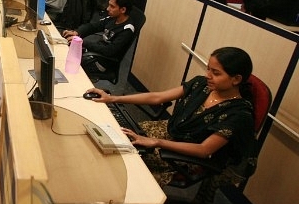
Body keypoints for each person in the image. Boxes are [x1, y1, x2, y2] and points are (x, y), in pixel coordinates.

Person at [84, 47, 256, 189]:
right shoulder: (201, 84)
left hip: (185, 154)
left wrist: (157, 142)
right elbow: (158, 97)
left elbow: (204, 149)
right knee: (114, 134)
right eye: (208, 69)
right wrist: (113, 98)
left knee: (123, 155)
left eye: (216, 73)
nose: (208, 75)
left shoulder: (239, 114)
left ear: (236, 79)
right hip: (168, 130)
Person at [62, 0, 139, 60]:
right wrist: (77, 32)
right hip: (96, 52)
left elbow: (109, 51)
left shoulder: (127, 30)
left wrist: (83, 42)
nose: (108, 9)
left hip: (103, 62)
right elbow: (93, 26)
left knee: (68, 59)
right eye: (109, 5)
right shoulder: (113, 18)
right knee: (65, 52)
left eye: (112, 6)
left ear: (123, 10)